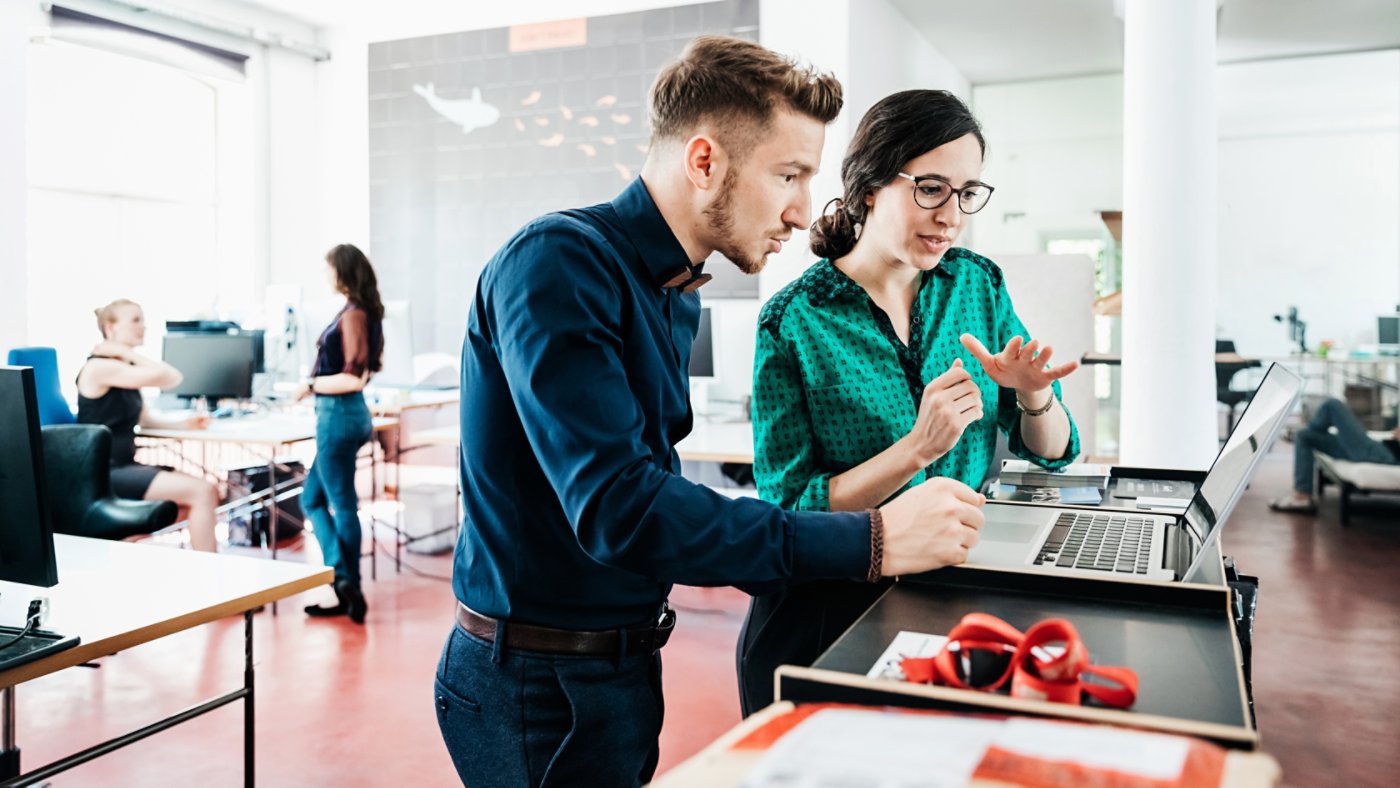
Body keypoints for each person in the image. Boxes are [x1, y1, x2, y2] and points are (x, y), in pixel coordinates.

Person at [435, 36, 987, 787]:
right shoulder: (556, 265)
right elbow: (621, 509)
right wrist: (872, 541)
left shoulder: (673, 291)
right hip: (539, 684)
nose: (801, 211)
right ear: (704, 162)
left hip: (616, 667)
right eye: (788, 175)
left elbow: (659, 499)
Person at [738, 90, 1083, 715]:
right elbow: (789, 509)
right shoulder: (793, 321)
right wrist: (917, 448)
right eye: (930, 188)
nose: (951, 215)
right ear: (870, 186)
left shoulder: (976, 283)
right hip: (829, 614)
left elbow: (1053, 451)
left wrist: (1034, 397)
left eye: (968, 192)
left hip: (954, 596)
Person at [76, 299, 219, 552]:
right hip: (102, 471)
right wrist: (126, 352)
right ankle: (211, 578)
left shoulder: (122, 369)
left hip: (123, 466)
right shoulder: (100, 367)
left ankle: (120, 546)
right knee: (203, 492)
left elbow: (146, 420)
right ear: (111, 328)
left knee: (185, 506)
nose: (143, 326)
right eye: (135, 320)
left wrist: (185, 425)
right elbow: (171, 377)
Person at [295, 243, 384, 624]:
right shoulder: (361, 313)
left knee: (342, 505)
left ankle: (345, 581)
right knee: (312, 499)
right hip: (348, 416)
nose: (325, 276)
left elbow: (353, 377)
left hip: (338, 416)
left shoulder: (354, 315)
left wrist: (310, 385)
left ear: (343, 272)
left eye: (329, 269)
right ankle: (345, 583)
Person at [1269, 397, 1400, 513]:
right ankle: (1302, 496)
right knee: (1304, 436)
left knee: (1333, 405)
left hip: (1382, 455)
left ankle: (1311, 427)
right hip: (1381, 448)